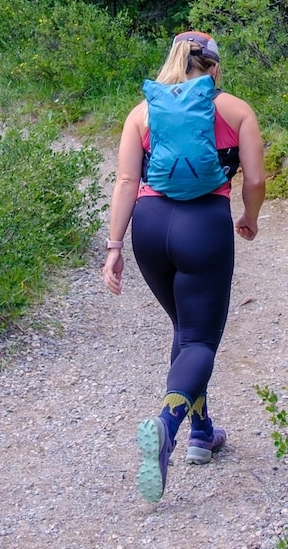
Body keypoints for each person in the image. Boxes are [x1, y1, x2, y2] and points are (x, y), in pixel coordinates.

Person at [103, 29, 265, 502]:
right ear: (213, 66)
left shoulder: (142, 112)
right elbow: (253, 178)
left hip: (150, 227)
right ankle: (168, 425)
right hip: (204, 226)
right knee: (198, 337)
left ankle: (202, 432)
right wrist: (249, 217)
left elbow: (126, 180)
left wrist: (114, 246)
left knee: (184, 327)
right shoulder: (235, 110)